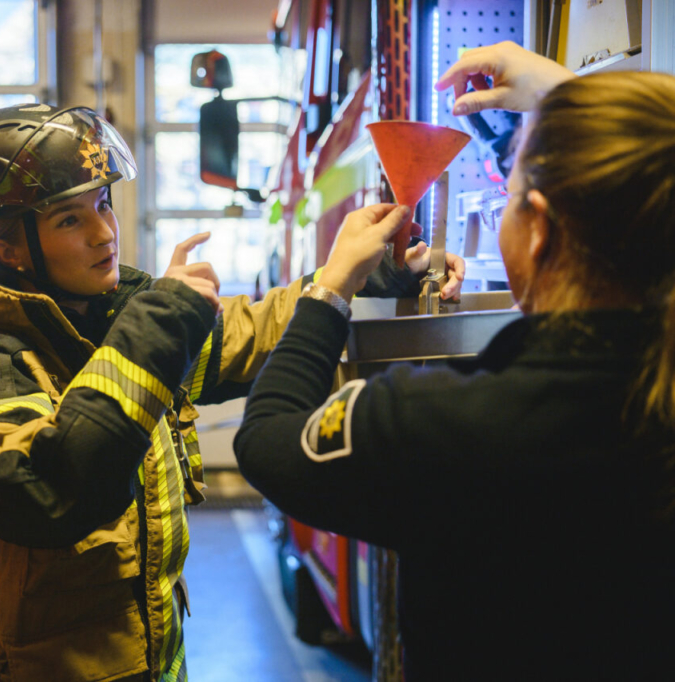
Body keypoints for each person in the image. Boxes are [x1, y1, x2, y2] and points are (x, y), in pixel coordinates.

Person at [0, 103, 461, 682]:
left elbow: (252, 334)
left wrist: (364, 276)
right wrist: (159, 324)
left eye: (103, 204)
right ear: (9, 249)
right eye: (69, 219)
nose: (105, 233)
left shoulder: (107, 323)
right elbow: (50, 490)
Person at [234, 46, 675, 679]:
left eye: (511, 191)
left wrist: (331, 287)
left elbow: (267, 438)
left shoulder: (428, 421)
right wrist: (565, 96)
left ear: (541, 230)